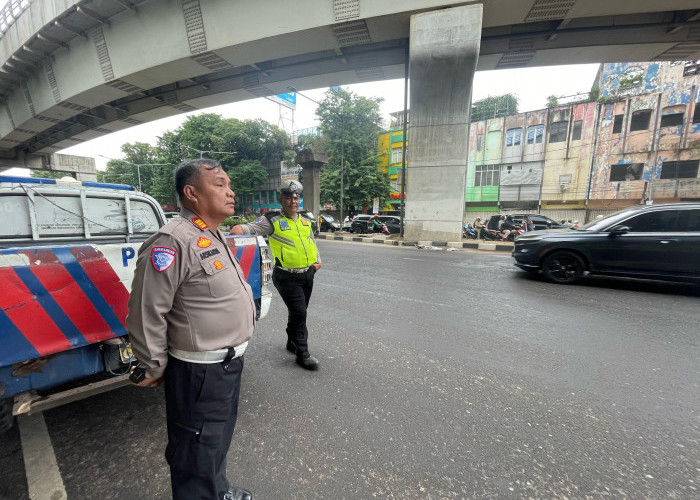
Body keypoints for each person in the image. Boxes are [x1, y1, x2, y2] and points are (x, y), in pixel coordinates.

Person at [126, 158, 256, 500]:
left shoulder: (210, 234)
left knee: (215, 440)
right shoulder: (172, 241)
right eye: (219, 184)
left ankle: (218, 491)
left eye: (228, 185)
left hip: (226, 364)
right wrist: (153, 365)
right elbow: (147, 310)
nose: (230, 192)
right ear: (191, 192)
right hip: (200, 372)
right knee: (196, 447)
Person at [231, 180, 321, 371]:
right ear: (281, 199)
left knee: (299, 310)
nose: (293, 201)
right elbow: (247, 229)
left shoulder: (306, 220)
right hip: (286, 275)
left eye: (296, 197)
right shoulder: (271, 220)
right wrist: (237, 231)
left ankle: (292, 341)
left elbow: (310, 241)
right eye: (288, 197)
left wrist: (317, 262)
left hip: (307, 273)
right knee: (300, 312)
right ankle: (302, 352)